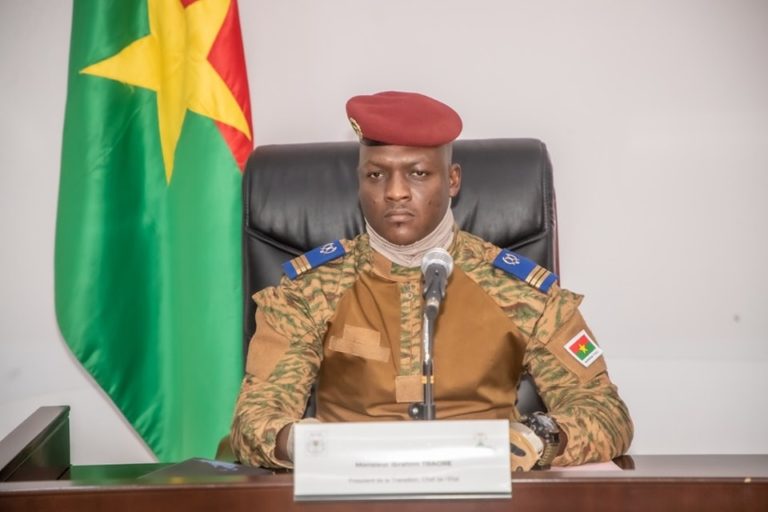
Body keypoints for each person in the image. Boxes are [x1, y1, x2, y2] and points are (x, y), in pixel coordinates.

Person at [231, 91, 633, 470]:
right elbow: (254, 419)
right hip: (352, 490)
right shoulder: (309, 291)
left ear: (453, 180)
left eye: (418, 173)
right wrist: (301, 443)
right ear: (359, 181)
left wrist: (538, 438)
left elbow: (605, 413)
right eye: (376, 174)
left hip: (488, 490)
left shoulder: (521, 291)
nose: (396, 192)